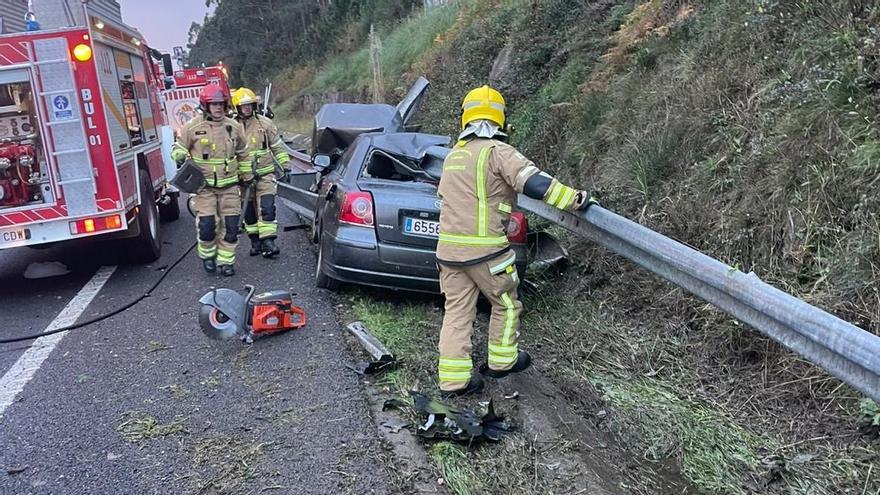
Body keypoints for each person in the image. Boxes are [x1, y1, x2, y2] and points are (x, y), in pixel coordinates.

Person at [436, 85, 596, 396]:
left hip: (449, 253)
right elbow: (535, 184)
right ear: (501, 119)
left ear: (465, 117)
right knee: (506, 304)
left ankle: (453, 382)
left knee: (457, 312)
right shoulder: (498, 153)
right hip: (486, 253)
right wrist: (575, 199)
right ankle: (502, 361)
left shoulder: (453, 156)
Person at [170, 84, 250, 276]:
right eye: (213, 104)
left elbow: (243, 153)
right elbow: (178, 147)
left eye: (221, 104)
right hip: (204, 187)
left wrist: (247, 176)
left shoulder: (234, 127)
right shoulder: (192, 127)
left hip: (230, 186)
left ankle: (226, 262)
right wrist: (179, 155)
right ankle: (208, 256)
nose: (218, 108)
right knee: (207, 226)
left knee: (231, 226)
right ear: (205, 106)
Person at [231, 87, 290, 257]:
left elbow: (277, 147)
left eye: (249, 105)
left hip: (265, 175)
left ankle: (268, 242)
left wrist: (286, 166)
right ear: (237, 107)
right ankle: (255, 241)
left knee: (267, 208)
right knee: (249, 212)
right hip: (243, 179)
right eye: (243, 106)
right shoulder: (231, 127)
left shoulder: (265, 124)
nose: (247, 108)